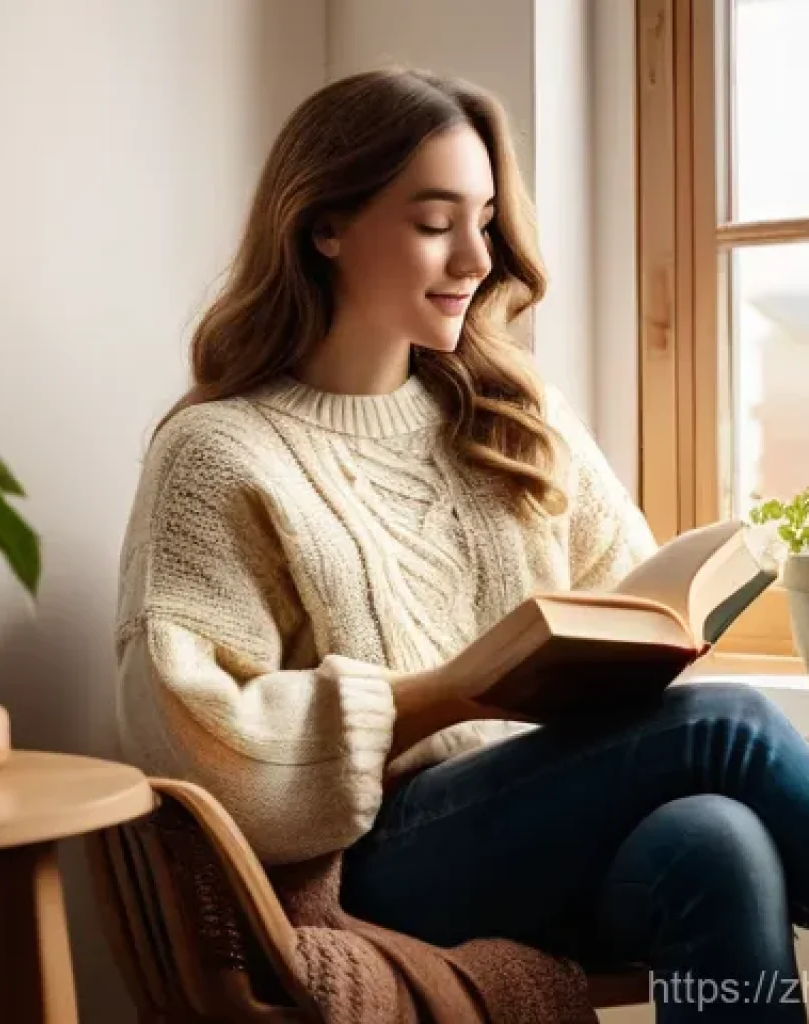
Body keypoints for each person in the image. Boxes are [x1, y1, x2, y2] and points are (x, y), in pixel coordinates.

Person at [115, 68, 809, 1021]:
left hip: (565, 835)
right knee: (729, 730)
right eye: (436, 222)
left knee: (719, 838)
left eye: (484, 222)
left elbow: (635, 607)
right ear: (325, 226)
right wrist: (451, 691)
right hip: (389, 864)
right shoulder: (221, 452)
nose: (476, 259)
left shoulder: (514, 413)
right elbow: (195, 735)